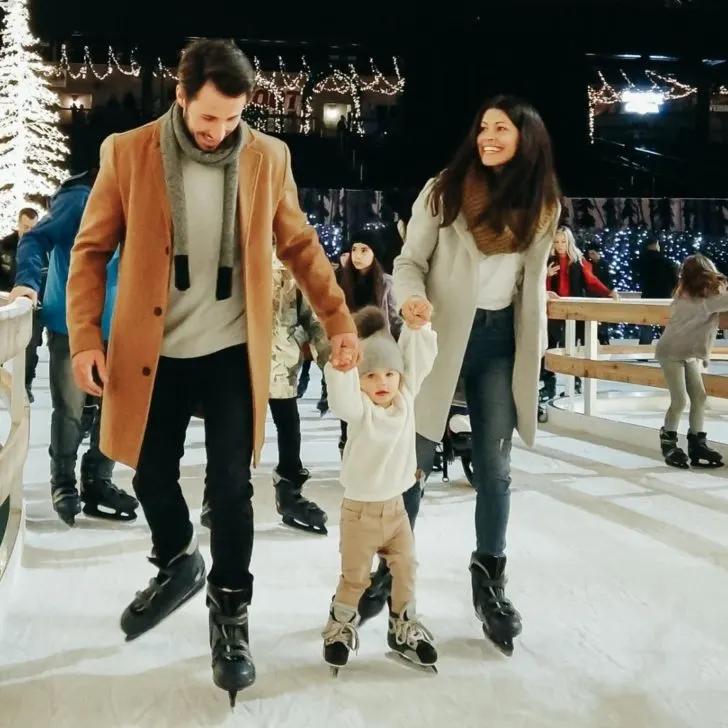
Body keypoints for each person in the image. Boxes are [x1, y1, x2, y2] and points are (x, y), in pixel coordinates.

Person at [65, 38, 357, 706]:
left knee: (232, 486)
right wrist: (85, 335)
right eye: (208, 120)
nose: (220, 132)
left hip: (230, 352)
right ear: (180, 96)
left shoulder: (266, 156)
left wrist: (339, 320)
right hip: (156, 350)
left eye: (231, 120)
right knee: (151, 474)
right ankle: (177, 559)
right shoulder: (128, 152)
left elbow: (301, 246)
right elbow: (89, 253)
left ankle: (231, 617)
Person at [358, 95, 561, 656]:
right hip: (440, 338)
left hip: (500, 344)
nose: (488, 136)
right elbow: (408, 262)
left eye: (501, 128)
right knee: (414, 467)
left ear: (528, 138)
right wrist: (415, 302)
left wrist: (535, 352)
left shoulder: (543, 205)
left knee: (495, 469)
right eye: (483, 127)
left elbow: (530, 291)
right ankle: (388, 569)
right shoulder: (445, 190)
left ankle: (489, 578)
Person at [10, 173, 137, 526]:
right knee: (70, 405)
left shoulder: (143, 195)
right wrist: (26, 282)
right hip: (72, 322)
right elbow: (35, 240)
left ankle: (97, 478)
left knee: (116, 406)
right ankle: (63, 483)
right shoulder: (79, 199)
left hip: (124, 326)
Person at [322, 306, 438, 674]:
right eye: (371, 375)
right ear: (360, 381)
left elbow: (418, 361)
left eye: (390, 373)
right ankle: (339, 626)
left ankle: (403, 624)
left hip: (396, 510)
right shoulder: (360, 411)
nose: (383, 382)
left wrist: (418, 329)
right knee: (356, 577)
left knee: (406, 568)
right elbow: (341, 398)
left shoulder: (405, 400)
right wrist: (342, 368)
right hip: (360, 513)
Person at [201, 254, 331, 534]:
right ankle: (218, 494)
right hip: (239, 359)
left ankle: (289, 492)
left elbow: (313, 314)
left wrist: (329, 361)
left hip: (282, 360)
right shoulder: (237, 248)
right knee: (233, 430)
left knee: (288, 428)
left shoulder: (293, 256)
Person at [655, 254, 726, 469]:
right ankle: (669, 443)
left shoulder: (685, 294)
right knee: (680, 400)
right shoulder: (707, 300)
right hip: (672, 352)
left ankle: (697, 442)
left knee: (700, 397)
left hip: (687, 353)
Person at [336, 228, 402, 455]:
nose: (357, 255)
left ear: (375, 253)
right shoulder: (341, 282)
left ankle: (379, 451)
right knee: (351, 403)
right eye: (354, 249)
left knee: (380, 404)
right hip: (353, 353)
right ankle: (349, 446)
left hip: (380, 355)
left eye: (364, 250)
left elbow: (394, 319)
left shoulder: (386, 283)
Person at [541, 227, 618, 400]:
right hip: (553, 311)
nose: (560, 245)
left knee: (574, 347)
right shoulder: (547, 260)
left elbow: (591, 282)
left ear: (569, 242)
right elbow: (539, 285)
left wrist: (608, 292)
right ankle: (548, 385)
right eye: (556, 241)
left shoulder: (579, 261)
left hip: (575, 311)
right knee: (549, 347)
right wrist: (546, 277)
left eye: (563, 241)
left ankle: (575, 383)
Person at [0, 207, 43, 400]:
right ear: (18, 224)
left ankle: (25, 383)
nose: (28, 231)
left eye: (32, 227)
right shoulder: (4, 247)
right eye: (25, 226)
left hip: (32, 306)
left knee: (31, 346)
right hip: (6, 303)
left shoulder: (43, 248)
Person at [634, 237, 678, 345]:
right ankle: (666, 348)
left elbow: (637, 278)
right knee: (666, 324)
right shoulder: (666, 262)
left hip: (647, 296)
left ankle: (644, 348)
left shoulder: (640, 262)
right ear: (656, 245)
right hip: (664, 297)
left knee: (646, 324)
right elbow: (674, 280)